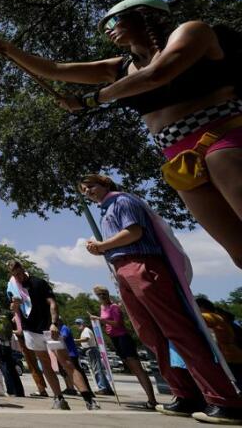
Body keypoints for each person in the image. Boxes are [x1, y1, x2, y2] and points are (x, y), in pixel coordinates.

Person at [0, 0, 242, 269]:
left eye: (112, 20)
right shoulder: (120, 68)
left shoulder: (193, 31)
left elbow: (158, 74)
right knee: (238, 252)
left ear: (144, 15)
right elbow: (56, 70)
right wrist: (10, 50)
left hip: (222, 138)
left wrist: (92, 99)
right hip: (177, 158)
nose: (107, 29)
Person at [81, 173, 242, 423]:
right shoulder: (105, 211)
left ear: (105, 183)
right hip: (122, 268)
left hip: (142, 264)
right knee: (150, 335)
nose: (87, 191)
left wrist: (102, 246)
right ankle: (185, 394)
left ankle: (223, 399)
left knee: (177, 330)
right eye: (83, 189)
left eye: (91, 185)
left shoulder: (123, 201)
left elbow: (133, 232)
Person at [6, 258, 99, 411]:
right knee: (45, 363)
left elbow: (53, 303)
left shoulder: (38, 283)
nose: (18, 277)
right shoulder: (13, 287)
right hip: (30, 329)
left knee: (66, 362)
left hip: (48, 327)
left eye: (20, 273)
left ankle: (88, 398)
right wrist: (14, 305)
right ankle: (59, 398)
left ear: (23, 269)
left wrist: (54, 323)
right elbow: (14, 309)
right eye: (15, 275)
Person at [91, 285, 157, 407]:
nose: (102, 296)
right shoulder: (102, 307)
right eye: (99, 295)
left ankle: (152, 399)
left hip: (123, 338)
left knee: (137, 368)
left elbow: (117, 323)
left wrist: (100, 320)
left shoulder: (114, 307)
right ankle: (150, 398)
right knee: (131, 367)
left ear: (107, 294)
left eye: (103, 294)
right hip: (114, 339)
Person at [197, 297, 242, 386]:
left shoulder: (210, 316)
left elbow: (194, 317)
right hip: (233, 355)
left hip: (229, 356)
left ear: (202, 307)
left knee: (237, 383)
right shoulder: (219, 317)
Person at [75, 318, 113, 396]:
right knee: (98, 369)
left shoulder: (86, 330)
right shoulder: (85, 330)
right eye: (77, 324)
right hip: (90, 350)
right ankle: (107, 388)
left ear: (83, 323)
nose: (78, 325)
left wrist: (75, 340)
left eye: (79, 323)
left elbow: (86, 339)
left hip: (91, 350)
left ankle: (102, 388)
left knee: (96, 370)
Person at [58, 317, 92, 396]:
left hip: (71, 353)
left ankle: (87, 390)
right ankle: (71, 388)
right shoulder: (61, 328)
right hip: (67, 353)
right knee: (68, 371)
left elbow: (64, 337)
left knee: (77, 371)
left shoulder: (64, 328)